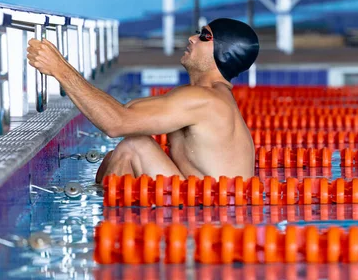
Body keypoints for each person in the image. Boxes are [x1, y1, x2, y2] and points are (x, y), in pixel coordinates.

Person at [26, 18, 259, 183]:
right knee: (127, 147)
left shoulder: (205, 100)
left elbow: (115, 123)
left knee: (134, 146)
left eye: (204, 36)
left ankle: (114, 238)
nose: (192, 38)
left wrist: (60, 69)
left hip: (210, 228)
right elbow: (123, 113)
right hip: (204, 211)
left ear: (223, 52)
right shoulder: (202, 96)